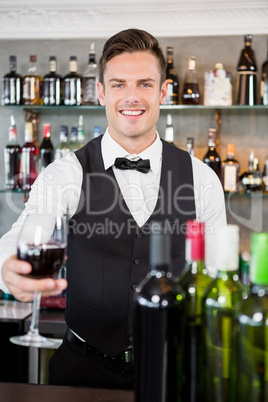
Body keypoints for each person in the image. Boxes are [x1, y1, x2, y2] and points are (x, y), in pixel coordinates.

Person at [0, 28, 226, 389]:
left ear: (163, 92)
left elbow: (216, 276)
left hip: (175, 369)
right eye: (119, 84)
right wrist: (10, 269)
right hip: (81, 375)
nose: (132, 97)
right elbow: (23, 236)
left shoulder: (202, 178)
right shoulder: (65, 173)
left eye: (145, 84)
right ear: (102, 92)